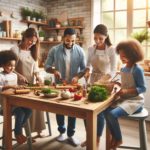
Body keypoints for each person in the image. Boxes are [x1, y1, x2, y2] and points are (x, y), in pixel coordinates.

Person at [44, 28, 86, 146]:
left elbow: (83, 69)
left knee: (72, 109)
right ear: (63, 38)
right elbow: (47, 66)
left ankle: (71, 134)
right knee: (59, 108)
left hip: (73, 85)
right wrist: (54, 71)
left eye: (73, 41)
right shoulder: (55, 50)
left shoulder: (80, 51)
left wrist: (77, 77)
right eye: (68, 40)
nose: (70, 43)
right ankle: (61, 132)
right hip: (59, 84)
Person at [104, 39, 146, 149]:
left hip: (135, 101)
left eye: (124, 55)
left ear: (132, 55)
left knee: (112, 114)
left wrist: (126, 91)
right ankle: (115, 136)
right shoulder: (123, 68)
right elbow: (126, 83)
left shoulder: (137, 70)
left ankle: (119, 139)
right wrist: (118, 83)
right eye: (120, 55)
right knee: (106, 111)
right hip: (125, 99)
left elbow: (143, 88)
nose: (121, 57)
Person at [81, 24, 117, 148]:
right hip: (92, 81)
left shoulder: (111, 49)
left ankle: (96, 139)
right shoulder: (91, 49)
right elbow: (88, 65)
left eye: (100, 38)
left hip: (105, 82)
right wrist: (86, 71)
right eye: (95, 38)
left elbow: (113, 70)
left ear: (106, 37)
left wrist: (103, 80)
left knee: (99, 112)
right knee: (86, 110)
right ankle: (89, 136)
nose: (97, 41)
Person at [10, 28, 46, 138]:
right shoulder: (15, 49)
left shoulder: (32, 51)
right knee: (25, 108)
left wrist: (38, 76)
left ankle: (36, 131)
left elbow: (35, 68)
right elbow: (10, 68)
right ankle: (24, 133)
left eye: (34, 42)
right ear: (24, 37)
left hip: (31, 84)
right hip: (18, 85)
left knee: (36, 106)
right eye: (30, 40)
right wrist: (19, 75)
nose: (32, 43)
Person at [0, 50, 32, 144]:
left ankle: (18, 128)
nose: (12, 68)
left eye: (13, 66)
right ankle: (18, 133)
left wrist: (20, 88)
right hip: (5, 105)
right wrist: (10, 86)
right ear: (2, 65)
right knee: (20, 112)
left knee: (29, 110)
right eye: (9, 65)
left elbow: (15, 89)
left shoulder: (14, 75)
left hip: (16, 102)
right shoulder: (1, 76)